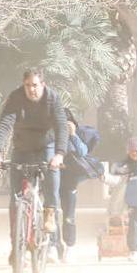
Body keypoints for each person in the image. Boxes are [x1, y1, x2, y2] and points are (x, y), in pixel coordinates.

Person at [0, 69, 67, 241]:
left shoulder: (52, 98)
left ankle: (49, 215)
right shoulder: (16, 97)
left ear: (42, 84)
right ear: (23, 85)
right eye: (28, 85)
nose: (32, 89)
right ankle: (16, 242)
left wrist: (59, 154)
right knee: (15, 197)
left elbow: (61, 126)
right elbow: (5, 123)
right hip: (22, 147)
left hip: (46, 145)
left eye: (35, 85)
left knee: (52, 176)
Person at [58, 109, 104, 262]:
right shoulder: (50, 134)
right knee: (48, 212)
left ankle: (69, 246)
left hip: (69, 180)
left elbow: (82, 152)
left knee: (68, 216)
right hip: (51, 177)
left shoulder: (74, 135)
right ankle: (52, 246)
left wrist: (72, 134)